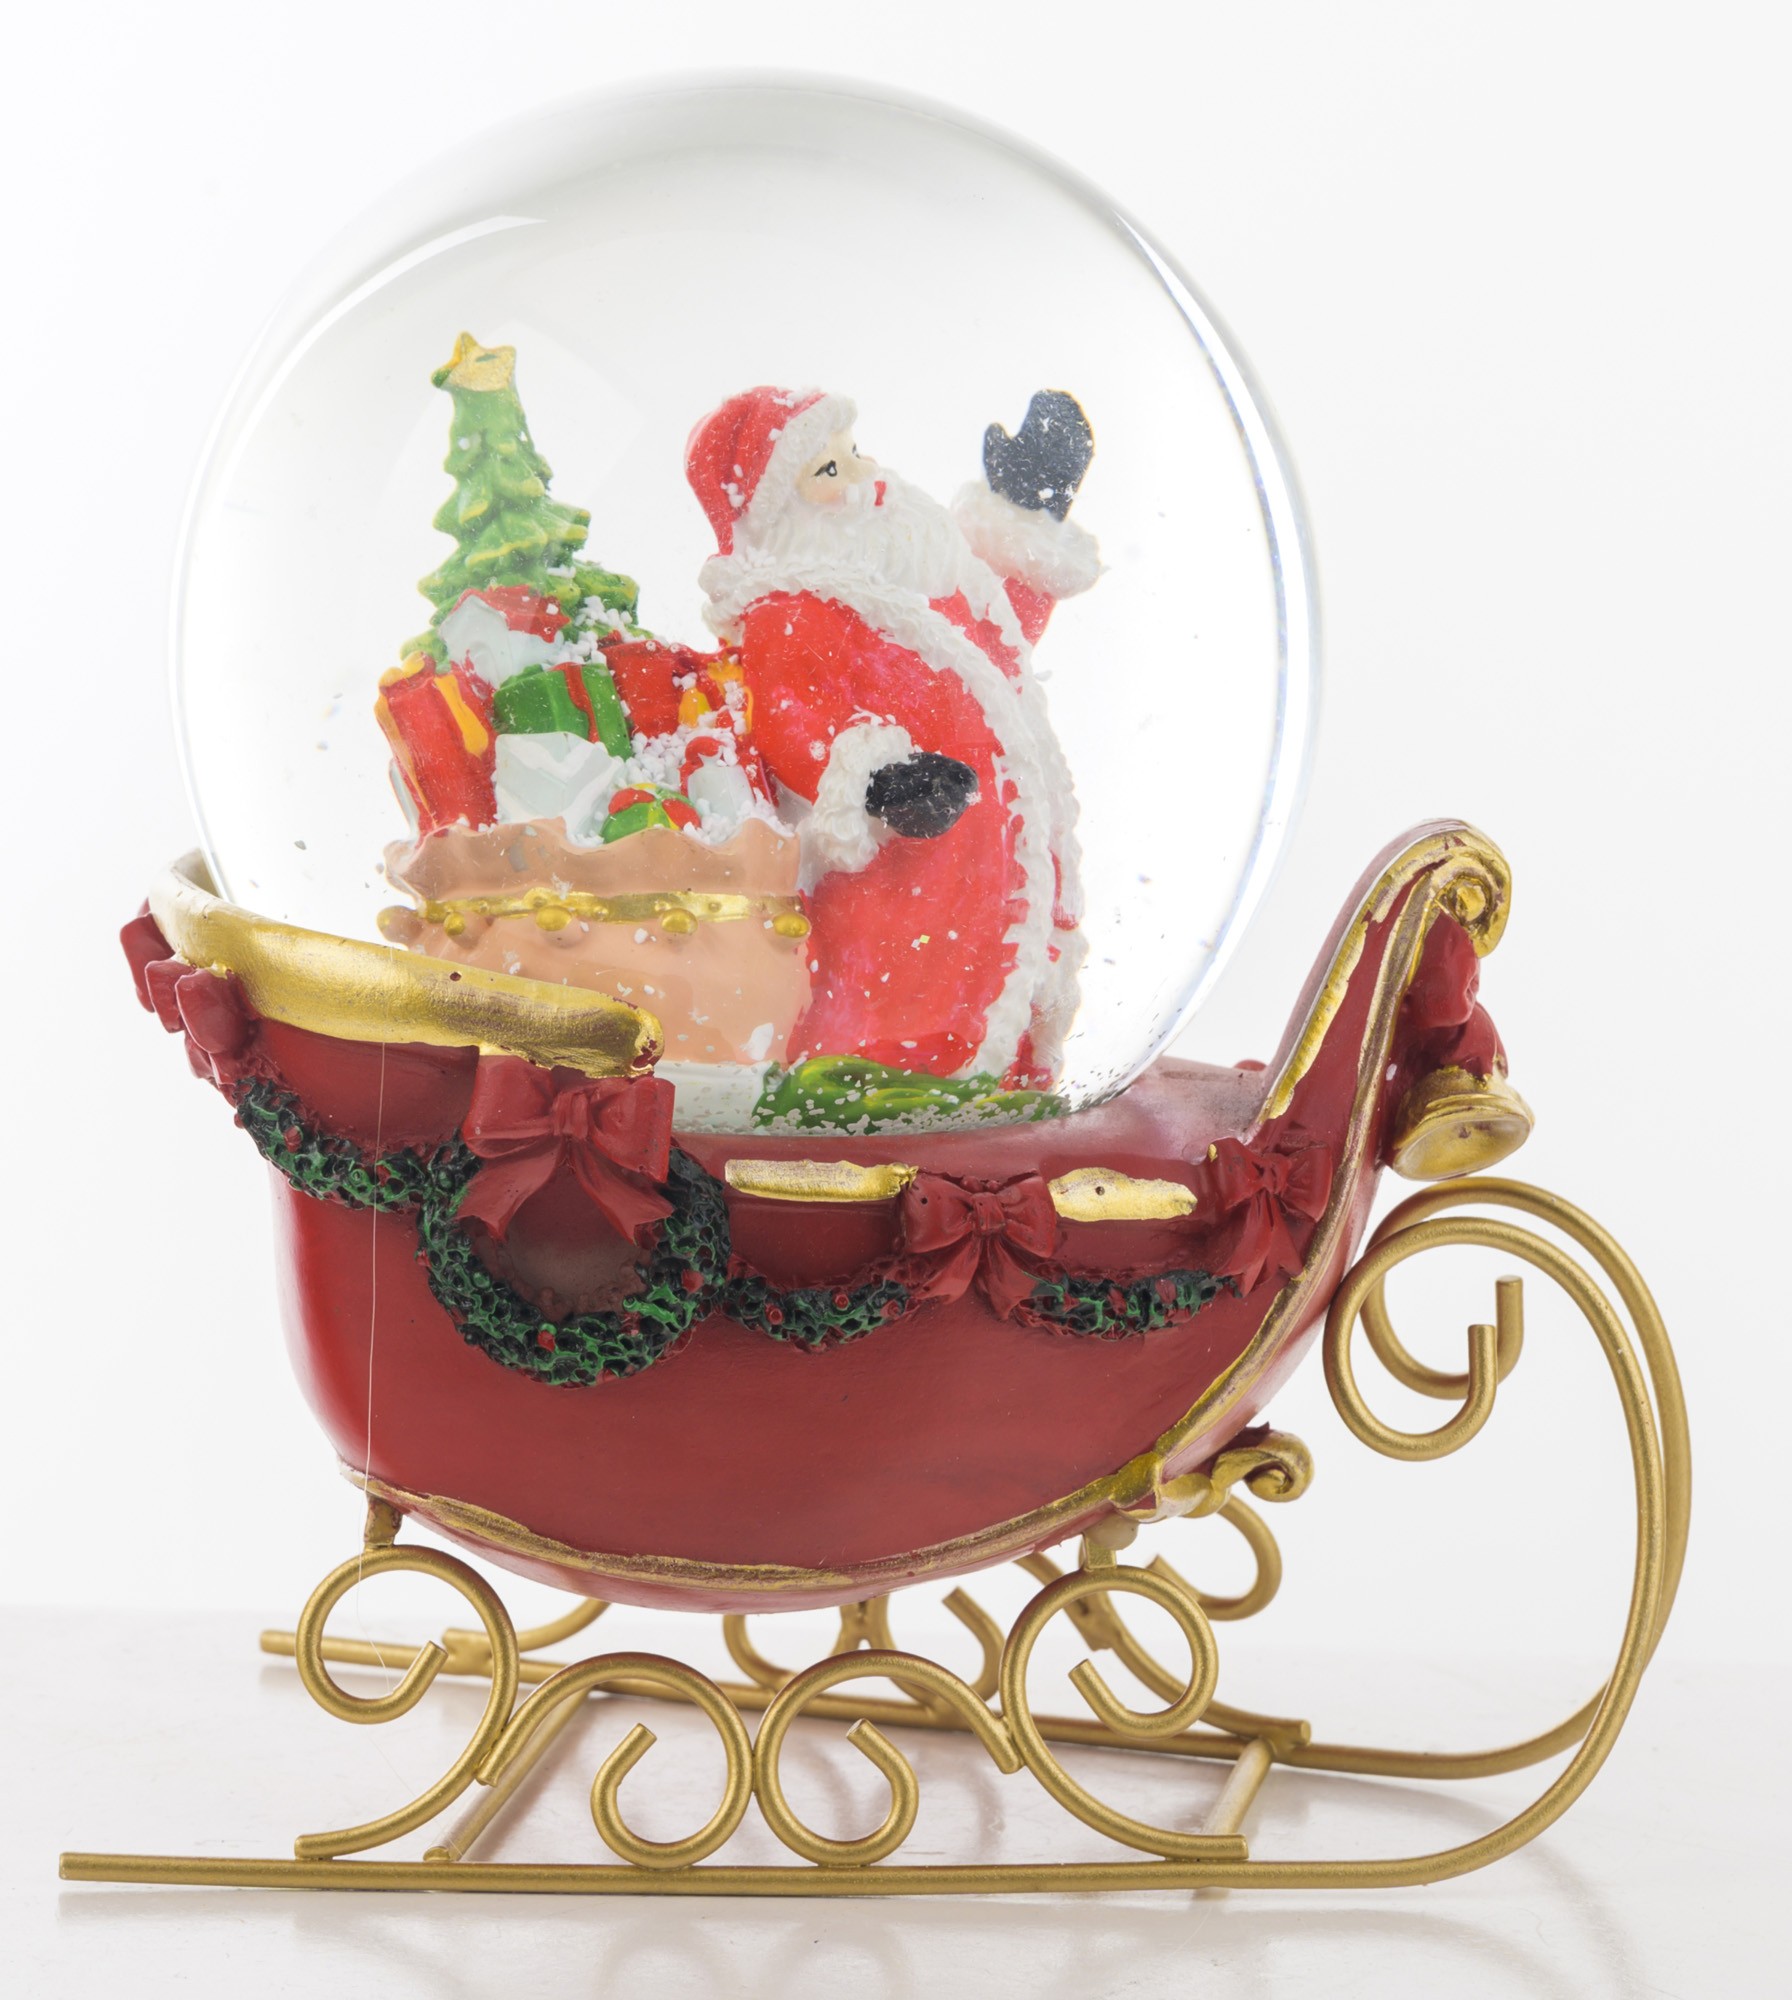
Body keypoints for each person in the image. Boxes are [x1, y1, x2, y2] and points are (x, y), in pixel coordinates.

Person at [685, 385, 1101, 1087]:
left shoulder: (919, 581)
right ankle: (868, 1077)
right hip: (899, 859)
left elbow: (1002, 637)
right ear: (778, 511)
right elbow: (790, 720)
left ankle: (993, 1078)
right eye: (828, 470)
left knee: (999, 960)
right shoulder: (794, 611)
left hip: (991, 846)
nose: (865, 476)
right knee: (899, 983)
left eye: (854, 452)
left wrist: (1027, 505)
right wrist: (876, 781)